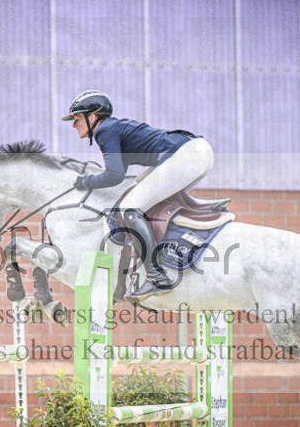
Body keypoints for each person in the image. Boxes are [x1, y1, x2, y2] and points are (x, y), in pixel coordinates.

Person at [62, 90, 214, 301]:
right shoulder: (114, 128)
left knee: (130, 210)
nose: (73, 125)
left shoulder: (104, 130)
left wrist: (85, 182)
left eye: (77, 118)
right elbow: (120, 175)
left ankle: (156, 277)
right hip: (200, 152)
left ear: (93, 116)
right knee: (142, 201)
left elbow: (113, 176)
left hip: (185, 154)